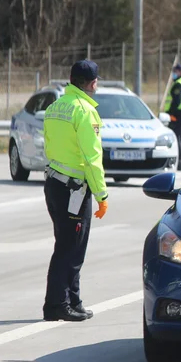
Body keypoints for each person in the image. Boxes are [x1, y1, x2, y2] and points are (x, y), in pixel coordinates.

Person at [42, 60, 109, 322]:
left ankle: (73, 299)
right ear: (91, 83)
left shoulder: (55, 107)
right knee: (70, 248)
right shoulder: (85, 111)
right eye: (96, 81)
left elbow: (48, 146)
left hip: (54, 183)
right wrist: (102, 195)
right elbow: (92, 158)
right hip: (74, 189)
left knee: (68, 244)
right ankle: (56, 304)